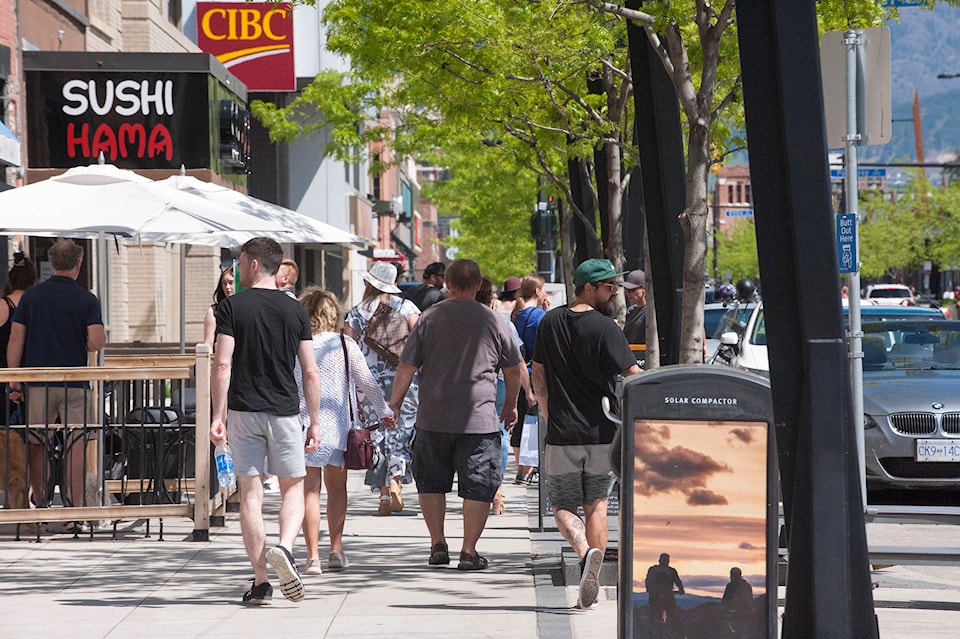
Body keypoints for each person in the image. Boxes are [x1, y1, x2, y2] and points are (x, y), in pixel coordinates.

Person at [389, 259, 522, 571]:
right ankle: (468, 551)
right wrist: (511, 404)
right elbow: (513, 369)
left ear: (447, 284)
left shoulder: (429, 318)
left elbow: (407, 366)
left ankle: (438, 543)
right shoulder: (493, 320)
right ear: (478, 285)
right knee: (478, 484)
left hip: (432, 416)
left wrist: (394, 403)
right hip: (479, 418)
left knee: (431, 482)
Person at [209, 237, 322, 606]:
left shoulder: (232, 307)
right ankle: (286, 549)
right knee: (292, 488)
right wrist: (316, 420)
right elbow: (309, 371)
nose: (238, 270)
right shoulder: (296, 311)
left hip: (243, 411)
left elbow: (223, 363)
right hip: (286, 411)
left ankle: (260, 581)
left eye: (241, 262)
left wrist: (216, 415)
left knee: (251, 496)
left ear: (254, 263)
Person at [531, 258, 641, 609]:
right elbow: (634, 374)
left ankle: (584, 554)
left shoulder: (549, 323)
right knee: (596, 504)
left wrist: (548, 415)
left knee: (561, 505)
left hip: (563, 432)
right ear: (589, 288)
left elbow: (539, 376)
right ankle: (591, 566)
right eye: (609, 287)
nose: (614, 294)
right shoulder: (606, 327)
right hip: (602, 432)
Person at [295, 287, 395, 575]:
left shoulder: (297, 344)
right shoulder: (344, 343)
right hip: (338, 426)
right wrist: (385, 412)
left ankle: (312, 556)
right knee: (337, 490)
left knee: (309, 492)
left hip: (304, 425)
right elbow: (368, 383)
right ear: (334, 313)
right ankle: (336, 550)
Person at [7, 239, 106, 512]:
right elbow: (98, 341)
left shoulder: (31, 297)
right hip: (75, 381)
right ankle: (74, 508)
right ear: (78, 264)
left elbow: (16, 339)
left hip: (39, 382)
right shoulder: (87, 299)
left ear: (51, 264)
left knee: (37, 442)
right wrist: (82, 341)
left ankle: (39, 501)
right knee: (76, 443)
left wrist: (14, 378)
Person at [344, 262, 421, 516]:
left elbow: (348, 349)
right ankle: (397, 480)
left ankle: (384, 496)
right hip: (404, 379)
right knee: (400, 430)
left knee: (376, 434)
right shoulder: (406, 307)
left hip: (369, 383)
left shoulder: (356, 312)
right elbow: (422, 338)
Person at [475, 276, 535, 515]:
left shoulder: (453, 319)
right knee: (501, 432)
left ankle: (479, 488)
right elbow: (517, 362)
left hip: (466, 387)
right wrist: (525, 392)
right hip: (498, 382)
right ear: (491, 299)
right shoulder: (500, 323)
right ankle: (496, 490)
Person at [511, 274, 548, 484]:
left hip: (517, 373)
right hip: (535, 373)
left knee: (519, 422)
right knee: (535, 421)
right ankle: (529, 469)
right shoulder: (539, 316)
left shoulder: (518, 314)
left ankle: (521, 469)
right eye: (542, 290)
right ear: (537, 291)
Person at [645, 553, 685, 627]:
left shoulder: (653, 570)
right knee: (672, 618)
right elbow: (678, 582)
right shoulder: (670, 571)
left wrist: (681, 589)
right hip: (664, 598)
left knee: (654, 618)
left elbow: (648, 583)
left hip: (658, 598)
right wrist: (681, 590)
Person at [203, 266, 236, 348]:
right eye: (224, 283)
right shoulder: (214, 311)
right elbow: (208, 344)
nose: (227, 287)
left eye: (231, 282)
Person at [722, 566, 754, 635]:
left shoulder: (731, 585)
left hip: (735, 615)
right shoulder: (747, 585)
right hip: (745, 615)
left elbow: (725, 600)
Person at [621, 270, 647, 345]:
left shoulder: (650, 313)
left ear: (644, 289)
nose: (627, 294)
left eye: (631, 290)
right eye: (626, 290)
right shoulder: (631, 311)